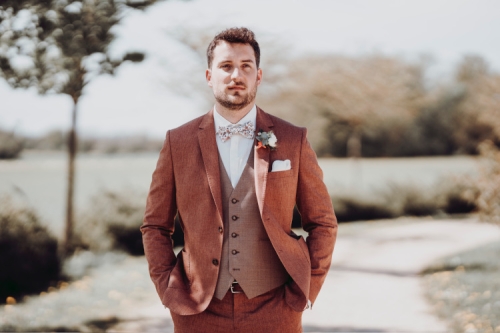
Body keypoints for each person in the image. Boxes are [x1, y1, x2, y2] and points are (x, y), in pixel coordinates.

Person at [141, 27, 337, 333]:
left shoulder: (292, 139)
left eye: (246, 66)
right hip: (198, 310)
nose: (236, 75)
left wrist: (307, 287)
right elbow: (155, 225)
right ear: (209, 76)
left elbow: (323, 222)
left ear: (258, 76)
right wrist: (168, 287)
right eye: (226, 66)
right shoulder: (177, 142)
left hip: (275, 309)